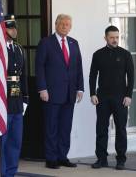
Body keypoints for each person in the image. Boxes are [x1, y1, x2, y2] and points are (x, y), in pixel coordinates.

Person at [35, 14, 84, 169]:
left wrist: (80, 88)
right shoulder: (46, 43)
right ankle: (51, 158)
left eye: (67, 24)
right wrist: (42, 88)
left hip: (70, 93)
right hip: (51, 93)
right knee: (51, 127)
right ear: (56, 25)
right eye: (61, 23)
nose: (64, 26)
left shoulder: (74, 43)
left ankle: (62, 156)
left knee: (65, 127)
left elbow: (78, 67)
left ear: (71, 27)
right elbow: (39, 67)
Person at [89, 25, 134, 170]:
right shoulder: (98, 54)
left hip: (121, 98)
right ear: (105, 38)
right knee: (101, 129)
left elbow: (131, 77)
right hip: (102, 97)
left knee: (121, 129)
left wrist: (129, 95)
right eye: (112, 37)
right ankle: (101, 159)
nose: (115, 40)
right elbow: (92, 75)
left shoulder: (126, 54)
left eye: (117, 37)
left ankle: (121, 159)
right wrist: (92, 93)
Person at [0, 14, 29, 176]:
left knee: (15, 140)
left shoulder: (19, 49)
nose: (14, 30)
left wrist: (25, 98)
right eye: (10, 27)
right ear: (3, 29)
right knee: (2, 142)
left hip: (17, 100)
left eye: (15, 27)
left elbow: (24, 76)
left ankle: (11, 172)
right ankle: (1, 173)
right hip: (2, 100)